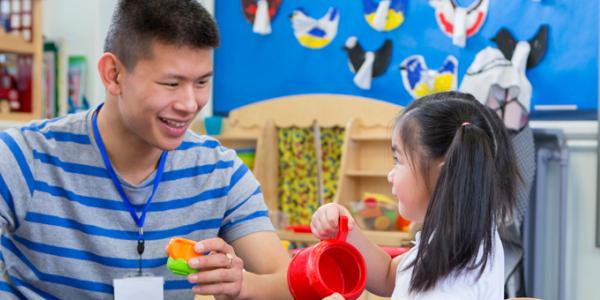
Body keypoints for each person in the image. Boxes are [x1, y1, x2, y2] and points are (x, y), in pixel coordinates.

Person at [0, 1, 291, 299]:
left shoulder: (221, 172)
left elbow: (286, 282)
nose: (190, 104)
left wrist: (241, 284)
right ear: (113, 74)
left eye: (202, 82)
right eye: (171, 83)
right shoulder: (25, 157)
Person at [312, 91, 519, 299]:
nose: (390, 175)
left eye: (398, 160)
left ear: (442, 174)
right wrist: (348, 232)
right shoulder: (458, 238)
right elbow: (388, 275)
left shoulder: (453, 277)